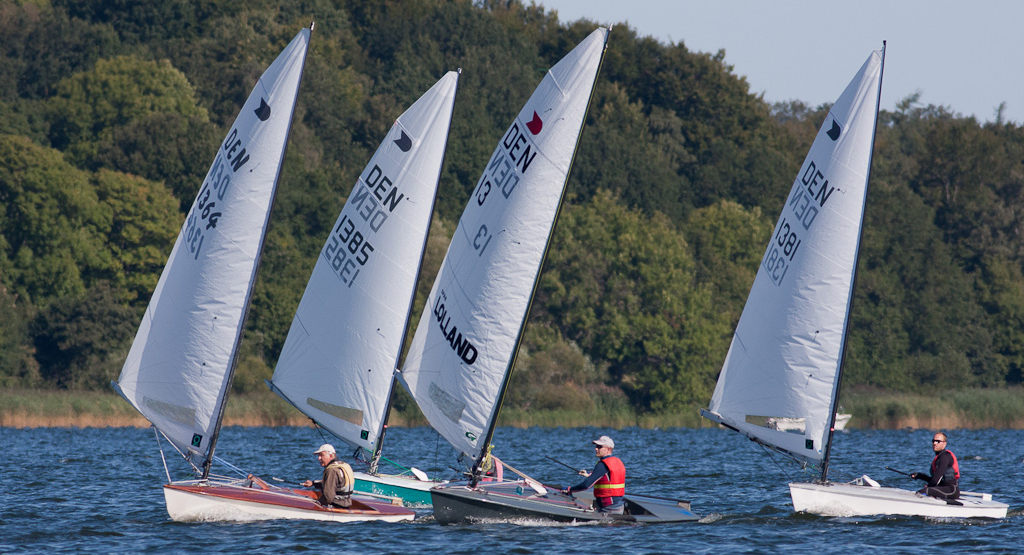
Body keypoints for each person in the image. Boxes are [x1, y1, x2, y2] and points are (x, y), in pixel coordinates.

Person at [562, 435, 625, 514]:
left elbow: (586, 485)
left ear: (608, 449)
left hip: (609, 509)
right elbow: (607, 477)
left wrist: (569, 489)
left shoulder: (602, 465)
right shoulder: (617, 462)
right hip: (618, 506)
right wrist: (589, 474)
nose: (596, 448)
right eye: (596, 446)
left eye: (599, 447)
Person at [911, 432, 960, 501]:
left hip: (951, 490)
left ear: (944, 444)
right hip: (942, 488)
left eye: (938, 441)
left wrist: (928, 487)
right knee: (925, 491)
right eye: (933, 441)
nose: (934, 443)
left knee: (923, 492)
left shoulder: (945, 457)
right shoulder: (939, 457)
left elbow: (936, 479)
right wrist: (920, 476)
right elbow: (936, 480)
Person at [301, 444, 354, 508]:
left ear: (331, 456)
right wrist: (313, 483)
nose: (319, 458)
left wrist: (317, 504)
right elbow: (333, 484)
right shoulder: (344, 465)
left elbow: (328, 496)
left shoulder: (331, 470)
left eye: (321, 455)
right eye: (318, 456)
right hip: (346, 504)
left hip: (336, 505)